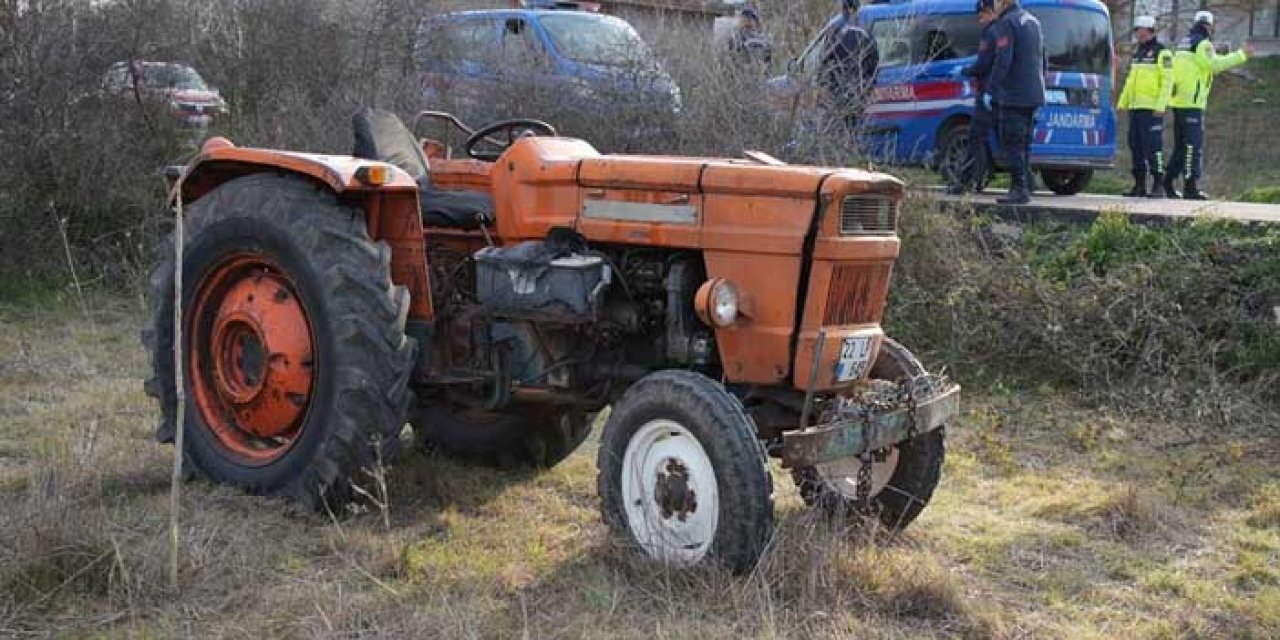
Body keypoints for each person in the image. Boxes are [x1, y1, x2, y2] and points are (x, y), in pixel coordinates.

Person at [1161, 11, 1253, 200]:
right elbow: (1214, 65)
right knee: (1193, 146)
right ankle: (1191, 187)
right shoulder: (1202, 43)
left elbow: (1193, 66)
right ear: (1209, 26)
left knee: (1181, 146)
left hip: (1179, 100)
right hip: (1192, 103)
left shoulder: (1184, 43)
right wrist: (1241, 55)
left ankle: (1168, 181)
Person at [984, 0, 1045, 205]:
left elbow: (1004, 59)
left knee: (1012, 141)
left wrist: (991, 89)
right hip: (1033, 93)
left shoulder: (1007, 23)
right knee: (1025, 142)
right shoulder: (1033, 22)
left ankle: (1019, 188)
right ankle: (1024, 184)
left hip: (1014, 93)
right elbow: (1042, 59)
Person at [1116, 16, 1173, 198]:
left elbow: (1167, 81)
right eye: (1136, 30)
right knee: (1135, 145)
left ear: (1149, 30)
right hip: (1135, 107)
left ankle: (1158, 184)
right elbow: (1130, 81)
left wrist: (1161, 105)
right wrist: (1122, 103)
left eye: (1140, 30)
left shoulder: (1162, 53)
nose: (1137, 34)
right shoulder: (1138, 53)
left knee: (1153, 147)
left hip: (1151, 109)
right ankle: (1139, 185)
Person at [947, 0, 1000, 195]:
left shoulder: (990, 33)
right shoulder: (1003, 30)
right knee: (1009, 140)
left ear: (988, 12)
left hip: (987, 92)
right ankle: (1024, 183)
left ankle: (965, 182)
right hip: (1001, 94)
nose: (979, 20)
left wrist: (965, 70)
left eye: (981, 15)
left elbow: (983, 65)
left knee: (975, 139)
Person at [820, 0, 880, 135]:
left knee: (836, 130)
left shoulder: (834, 29)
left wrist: (825, 83)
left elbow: (824, 60)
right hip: (858, 89)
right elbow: (874, 62)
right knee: (854, 129)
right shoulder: (865, 31)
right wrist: (869, 85)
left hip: (837, 89)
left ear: (843, 8)